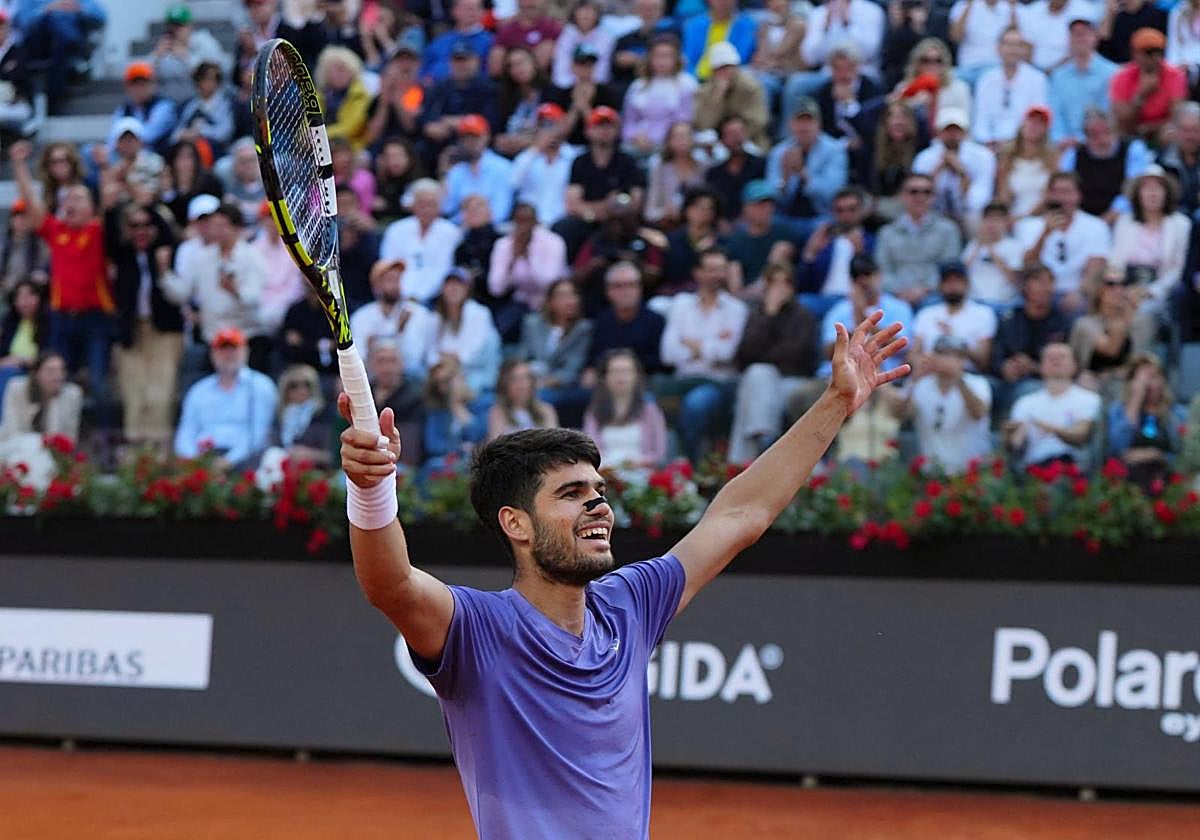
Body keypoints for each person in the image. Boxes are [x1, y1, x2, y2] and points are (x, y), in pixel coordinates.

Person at [336, 308, 907, 839]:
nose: (598, 506)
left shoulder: (630, 604)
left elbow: (739, 515)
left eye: (599, 491)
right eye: (572, 494)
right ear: (517, 524)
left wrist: (835, 400)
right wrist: (370, 490)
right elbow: (392, 584)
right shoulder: (478, 631)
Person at [10, 140, 114, 395]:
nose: (72, 202)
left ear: (92, 207)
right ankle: (56, 433)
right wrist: (19, 165)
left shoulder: (98, 230)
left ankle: (100, 435)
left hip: (95, 317)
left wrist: (103, 166)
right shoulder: (57, 231)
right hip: (62, 317)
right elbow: (31, 206)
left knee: (99, 383)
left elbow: (110, 200)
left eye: (79, 198)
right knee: (56, 382)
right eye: (68, 198)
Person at [658, 248, 749, 461]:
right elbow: (668, 353)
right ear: (697, 273)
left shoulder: (736, 309)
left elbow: (727, 353)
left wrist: (691, 344)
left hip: (717, 382)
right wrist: (711, 346)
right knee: (648, 398)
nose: (717, 275)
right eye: (711, 270)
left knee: (695, 405)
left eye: (721, 270)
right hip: (682, 378)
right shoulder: (681, 304)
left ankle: (695, 467)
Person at [107, 202, 184, 449]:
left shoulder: (169, 253)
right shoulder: (123, 254)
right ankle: (135, 457)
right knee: (134, 395)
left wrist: (149, 202)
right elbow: (107, 233)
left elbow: (168, 231)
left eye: (146, 225)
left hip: (164, 332)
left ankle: (157, 454)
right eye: (134, 225)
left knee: (159, 394)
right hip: (133, 332)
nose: (141, 231)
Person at [728, 263, 822, 463]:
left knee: (756, 380)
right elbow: (743, 355)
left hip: (794, 381)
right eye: (774, 283)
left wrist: (763, 355)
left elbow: (797, 355)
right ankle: (764, 437)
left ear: (793, 287)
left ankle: (742, 462)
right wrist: (769, 316)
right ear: (765, 287)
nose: (780, 288)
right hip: (760, 383)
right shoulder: (758, 315)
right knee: (758, 375)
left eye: (785, 283)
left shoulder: (804, 316)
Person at [1107, 165, 1192, 348]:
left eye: (1158, 188)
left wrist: (1151, 291)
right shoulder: (1125, 222)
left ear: (1167, 192)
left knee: (1141, 316)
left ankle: (1140, 367)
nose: (1152, 193)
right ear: (1138, 193)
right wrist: (1121, 290)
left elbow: (1178, 269)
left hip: (1160, 292)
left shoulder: (1181, 225)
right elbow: (1115, 262)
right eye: (1147, 188)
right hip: (1125, 288)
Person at [174, 327, 278, 469]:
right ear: (213, 354)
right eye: (222, 349)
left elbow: (258, 434)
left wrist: (228, 461)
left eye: (234, 349)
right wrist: (194, 460)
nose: (228, 355)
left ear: (245, 352)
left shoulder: (261, 386)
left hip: (245, 461)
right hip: (202, 460)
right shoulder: (198, 390)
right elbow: (186, 432)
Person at [890, 334, 994, 474]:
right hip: (933, 472)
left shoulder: (978, 383)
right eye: (942, 354)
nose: (948, 360)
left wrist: (957, 378)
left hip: (972, 472)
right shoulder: (920, 384)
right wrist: (914, 379)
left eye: (955, 356)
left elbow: (979, 413)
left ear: (963, 360)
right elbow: (898, 414)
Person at [1015, 171, 1111, 314]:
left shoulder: (1096, 226)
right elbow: (1027, 266)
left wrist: (1080, 292)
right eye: (1055, 192)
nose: (1060, 198)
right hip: (1037, 295)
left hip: (1076, 293)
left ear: (1078, 195)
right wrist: (1045, 234)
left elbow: (1096, 266)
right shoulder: (1028, 226)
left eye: (1066, 192)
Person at [1004, 341, 1101, 468]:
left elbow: (1080, 435)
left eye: (1061, 357)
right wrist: (1007, 436)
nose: (1055, 361)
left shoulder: (1090, 399)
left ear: (1075, 365)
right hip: (1034, 470)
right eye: (1050, 357)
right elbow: (1015, 444)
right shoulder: (1025, 402)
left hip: (1071, 468)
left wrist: (1051, 429)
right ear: (1040, 366)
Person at [991, 264, 1071, 413]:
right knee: (983, 387)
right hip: (1007, 380)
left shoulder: (1061, 322)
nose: (1046, 288)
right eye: (1039, 282)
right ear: (1026, 286)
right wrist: (1005, 367)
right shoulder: (1010, 318)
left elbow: (1068, 364)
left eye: (1050, 282)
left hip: (1042, 381)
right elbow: (996, 356)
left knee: (1027, 389)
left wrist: (1033, 367)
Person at [874, 172, 963, 307]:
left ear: (933, 197)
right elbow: (882, 270)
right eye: (914, 191)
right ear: (903, 195)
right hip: (895, 295)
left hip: (936, 295)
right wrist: (900, 291)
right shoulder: (887, 233)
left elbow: (949, 268)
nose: (920, 197)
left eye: (926, 192)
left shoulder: (948, 230)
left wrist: (924, 290)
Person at [517, 278, 594, 426]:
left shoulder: (584, 329)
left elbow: (571, 371)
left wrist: (543, 382)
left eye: (573, 295)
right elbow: (521, 357)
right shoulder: (532, 323)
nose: (570, 300)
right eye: (563, 295)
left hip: (562, 388)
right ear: (550, 301)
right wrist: (526, 379)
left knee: (538, 397)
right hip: (529, 380)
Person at [488, 203, 568, 343]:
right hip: (521, 301)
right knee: (496, 334)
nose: (523, 227)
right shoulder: (504, 244)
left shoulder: (553, 242)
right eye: (519, 221)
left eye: (528, 221)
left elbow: (550, 284)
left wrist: (528, 257)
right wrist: (512, 260)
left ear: (536, 221)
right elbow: (496, 289)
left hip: (549, 302)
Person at [1106, 352, 1187, 490]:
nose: (1149, 384)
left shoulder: (1178, 414)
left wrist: (1157, 455)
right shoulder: (1118, 410)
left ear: (1163, 380)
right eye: (1142, 379)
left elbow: (1184, 456)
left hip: (1168, 481)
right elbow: (1117, 447)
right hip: (1127, 484)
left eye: (1154, 377)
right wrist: (1135, 399)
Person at [1058, 107, 1153, 220]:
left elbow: (1134, 187)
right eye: (1094, 134)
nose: (1102, 138)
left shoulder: (1133, 149)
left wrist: (1110, 216)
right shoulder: (1073, 154)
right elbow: (1064, 187)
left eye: (1106, 131)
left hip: (1124, 217)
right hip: (1082, 218)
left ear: (1115, 130)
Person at [349, 258, 438, 379]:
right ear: (376, 285)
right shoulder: (361, 317)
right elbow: (360, 358)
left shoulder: (418, 314)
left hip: (410, 379)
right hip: (373, 378)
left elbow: (415, 359)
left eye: (399, 279)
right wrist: (395, 332)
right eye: (390, 279)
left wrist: (398, 334)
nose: (396, 284)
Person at [379, 179, 464, 304]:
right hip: (398, 295)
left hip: (436, 299)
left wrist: (419, 296)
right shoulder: (396, 230)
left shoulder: (451, 233)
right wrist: (403, 294)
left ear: (439, 206)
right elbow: (389, 265)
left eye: (432, 204)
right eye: (422, 204)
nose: (427, 209)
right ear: (413, 205)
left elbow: (445, 269)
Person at [582, 348, 668, 468]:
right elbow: (591, 452)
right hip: (607, 474)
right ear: (604, 377)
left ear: (636, 375)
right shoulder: (593, 412)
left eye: (626, 371)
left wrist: (640, 462)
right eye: (615, 371)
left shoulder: (650, 411)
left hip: (643, 475)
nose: (621, 376)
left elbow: (659, 453)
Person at [911, 107, 997, 228]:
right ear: (938, 133)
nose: (952, 136)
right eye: (948, 131)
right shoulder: (925, 158)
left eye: (957, 130)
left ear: (965, 132)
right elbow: (918, 195)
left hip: (967, 213)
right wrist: (938, 169)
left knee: (976, 219)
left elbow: (979, 200)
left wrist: (961, 173)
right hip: (934, 212)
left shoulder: (982, 156)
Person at [583, 261, 666, 384]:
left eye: (630, 285)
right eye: (618, 286)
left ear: (639, 288)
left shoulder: (656, 321)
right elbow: (593, 356)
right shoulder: (601, 321)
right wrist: (590, 371)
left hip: (645, 381)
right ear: (608, 290)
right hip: (605, 383)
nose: (625, 291)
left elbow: (660, 361)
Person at [766, 98, 848, 221]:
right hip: (785, 216)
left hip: (822, 215)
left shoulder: (834, 150)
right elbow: (771, 197)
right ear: (790, 124)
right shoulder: (779, 152)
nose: (804, 127)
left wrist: (803, 173)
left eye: (809, 121)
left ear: (819, 124)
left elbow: (833, 194)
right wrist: (785, 178)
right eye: (799, 121)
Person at [911, 261, 998, 372]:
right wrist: (923, 364)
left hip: (966, 375)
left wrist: (955, 339)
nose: (952, 286)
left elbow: (983, 361)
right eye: (948, 282)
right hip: (929, 373)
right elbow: (913, 354)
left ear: (967, 283)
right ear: (940, 285)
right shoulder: (926, 313)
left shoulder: (983, 314)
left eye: (957, 281)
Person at [428, 267, 502, 397]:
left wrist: (451, 360)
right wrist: (442, 364)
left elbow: (473, 352)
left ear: (467, 290)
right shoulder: (436, 317)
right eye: (450, 284)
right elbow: (431, 352)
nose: (453, 289)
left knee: (454, 384)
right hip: (444, 372)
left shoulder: (480, 313)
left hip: (477, 372)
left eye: (458, 285)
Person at [972, 27, 1050, 149]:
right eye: (1008, 44)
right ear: (998, 48)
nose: (1012, 50)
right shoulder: (986, 79)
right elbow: (981, 119)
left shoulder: (1037, 79)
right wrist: (987, 141)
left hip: (1023, 144)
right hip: (990, 145)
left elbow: (1036, 119)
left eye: (1017, 45)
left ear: (1023, 50)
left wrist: (1014, 143)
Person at [621, 35, 696, 157]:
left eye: (667, 56)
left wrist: (664, 140)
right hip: (640, 143)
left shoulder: (687, 84)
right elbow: (629, 121)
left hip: (672, 145)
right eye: (657, 56)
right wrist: (635, 136)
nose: (662, 61)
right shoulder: (638, 86)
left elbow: (685, 120)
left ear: (676, 58)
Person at [1048, 18, 1118, 148]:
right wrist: (1060, 138)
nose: (1079, 38)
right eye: (1075, 34)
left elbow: (1110, 112)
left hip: (1100, 142)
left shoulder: (1112, 73)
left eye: (1084, 33)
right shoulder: (1059, 75)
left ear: (1095, 37)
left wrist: (1084, 139)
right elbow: (1055, 112)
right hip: (1064, 145)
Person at [1069, 267, 1141, 394]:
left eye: (1123, 284)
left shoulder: (1137, 321)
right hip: (1090, 381)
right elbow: (1110, 349)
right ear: (1098, 289)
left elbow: (1138, 359)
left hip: (1122, 381)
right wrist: (1127, 314)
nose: (1118, 290)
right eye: (1111, 284)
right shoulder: (1085, 323)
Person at [1109, 27, 1186, 142]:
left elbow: (1177, 115)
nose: (1154, 57)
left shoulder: (1174, 75)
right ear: (1135, 53)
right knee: (1114, 130)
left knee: (1171, 132)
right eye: (1148, 52)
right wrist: (1141, 95)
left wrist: (1149, 128)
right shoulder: (1122, 76)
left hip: (1160, 129)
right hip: (1131, 129)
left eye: (1159, 52)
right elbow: (1122, 119)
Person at [511, 104, 580, 228]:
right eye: (543, 125)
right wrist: (535, 149)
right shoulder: (525, 157)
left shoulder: (575, 157)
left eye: (552, 124)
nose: (548, 130)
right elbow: (513, 184)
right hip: (529, 225)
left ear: (562, 126)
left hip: (562, 224)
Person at [692, 43, 769, 151]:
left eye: (729, 67)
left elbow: (758, 121)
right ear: (713, 71)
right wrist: (717, 96)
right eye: (721, 68)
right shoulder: (704, 91)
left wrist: (736, 134)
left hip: (748, 139)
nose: (726, 72)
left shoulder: (750, 88)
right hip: (714, 142)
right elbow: (704, 125)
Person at [441, 115, 514, 224]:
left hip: (491, 230)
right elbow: (446, 208)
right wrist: (444, 172)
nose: (470, 141)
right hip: (461, 228)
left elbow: (500, 212)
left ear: (486, 137)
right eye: (466, 137)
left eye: (475, 136)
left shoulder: (503, 167)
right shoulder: (456, 171)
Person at [0, 351, 82, 444]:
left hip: (51, 452)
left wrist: (53, 400)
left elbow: (69, 439)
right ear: (36, 373)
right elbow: (12, 431)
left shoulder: (72, 395)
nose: (58, 376)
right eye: (51, 371)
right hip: (15, 447)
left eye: (61, 370)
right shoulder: (16, 387)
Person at [422, 356, 488, 472]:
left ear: (460, 377)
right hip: (447, 463)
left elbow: (480, 436)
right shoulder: (436, 411)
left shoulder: (482, 403)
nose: (444, 388)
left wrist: (457, 407)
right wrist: (459, 449)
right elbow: (433, 445)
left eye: (447, 380)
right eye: (438, 383)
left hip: (476, 462)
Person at [993, 106, 1060, 221]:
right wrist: (1008, 218)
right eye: (1031, 120)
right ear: (1023, 123)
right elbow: (1002, 195)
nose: (1034, 126)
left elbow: (1050, 195)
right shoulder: (1007, 156)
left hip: (1041, 217)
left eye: (1040, 123)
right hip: (1011, 216)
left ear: (1046, 129)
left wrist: (1025, 217)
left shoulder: (1052, 159)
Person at [369, 338, 426, 464]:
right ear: (371, 365)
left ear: (402, 365)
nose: (386, 368)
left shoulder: (414, 398)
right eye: (381, 361)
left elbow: (412, 445)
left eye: (392, 361)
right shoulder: (364, 395)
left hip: (401, 463)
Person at [643, 122, 708, 227]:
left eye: (686, 136)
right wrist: (664, 213)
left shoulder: (703, 164)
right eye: (677, 137)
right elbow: (650, 209)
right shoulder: (658, 165)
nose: (682, 141)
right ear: (668, 141)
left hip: (698, 221)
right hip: (666, 221)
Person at [270, 364, 335, 468]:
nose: (301, 390)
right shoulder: (279, 418)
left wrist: (311, 455)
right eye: (294, 385)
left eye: (306, 385)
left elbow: (335, 456)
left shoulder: (323, 414)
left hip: (316, 474)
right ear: (285, 389)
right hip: (284, 473)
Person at [962, 202, 1024, 308]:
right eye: (988, 220)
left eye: (997, 220)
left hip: (1003, 302)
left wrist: (991, 249)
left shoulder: (1015, 246)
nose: (992, 224)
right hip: (973, 301)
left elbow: (1015, 280)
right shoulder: (973, 245)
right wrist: (977, 248)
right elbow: (961, 273)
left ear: (1006, 223)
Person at [0, 281, 49, 413]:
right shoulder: (10, 322)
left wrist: (22, 361)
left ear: (39, 297)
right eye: (20, 297)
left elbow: (49, 356)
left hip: (34, 370)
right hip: (7, 367)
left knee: (8, 375)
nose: (24, 301)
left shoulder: (48, 322)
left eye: (29, 296)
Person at [421, 0, 494, 85]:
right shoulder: (440, 41)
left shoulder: (491, 41)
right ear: (454, 11)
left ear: (483, 12)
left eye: (476, 8)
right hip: (437, 91)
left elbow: (489, 75)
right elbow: (423, 69)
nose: (471, 12)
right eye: (466, 8)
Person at [682, 0, 757, 80]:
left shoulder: (747, 25)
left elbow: (741, 57)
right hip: (696, 78)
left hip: (731, 78)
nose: (723, 2)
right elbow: (688, 58)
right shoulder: (694, 25)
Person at [486, 358, 559, 439]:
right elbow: (496, 448)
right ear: (504, 384)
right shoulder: (497, 412)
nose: (522, 385)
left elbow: (555, 444)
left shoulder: (546, 410)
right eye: (515, 379)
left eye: (526, 378)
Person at [1156, 102, 1200, 218]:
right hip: (1171, 220)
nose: (1190, 136)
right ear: (1174, 130)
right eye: (1185, 130)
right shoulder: (1161, 160)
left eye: (1195, 130)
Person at [0, 199, 48, 297]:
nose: (21, 220)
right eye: (18, 216)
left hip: (31, 297)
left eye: (26, 216)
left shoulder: (40, 244)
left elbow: (44, 272)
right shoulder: (4, 245)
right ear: (11, 219)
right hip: (7, 295)